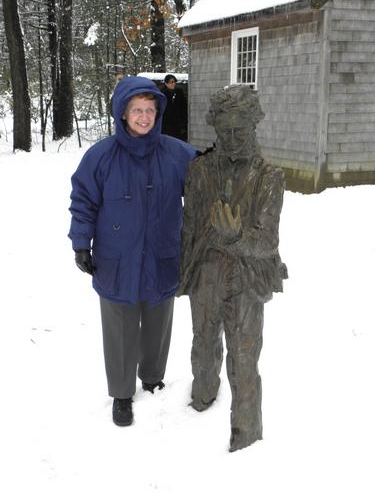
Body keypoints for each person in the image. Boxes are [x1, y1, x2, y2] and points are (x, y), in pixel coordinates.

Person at [68, 76, 197, 427]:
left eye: (150, 110)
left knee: (158, 321)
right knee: (120, 325)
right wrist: (81, 242)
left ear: (158, 113)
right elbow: (83, 202)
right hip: (116, 258)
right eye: (136, 110)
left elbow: (207, 179)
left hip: (161, 253)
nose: (143, 117)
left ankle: (153, 380)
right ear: (123, 113)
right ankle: (122, 393)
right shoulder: (100, 156)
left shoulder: (176, 153)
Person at [177, 84, 287, 452]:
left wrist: (237, 236)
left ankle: (246, 436)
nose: (234, 137)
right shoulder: (200, 171)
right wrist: (184, 270)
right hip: (206, 273)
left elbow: (268, 240)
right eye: (226, 130)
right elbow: (189, 226)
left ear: (254, 126)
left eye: (241, 129)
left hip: (245, 276)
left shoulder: (269, 177)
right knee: (203, 344)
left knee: (243, 358)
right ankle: (202, 396)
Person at [161, 74, 188, 141]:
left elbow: (183, 107)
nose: (173, 84)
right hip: (166, 123)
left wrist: (183, 122)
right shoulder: (162, 94)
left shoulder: (179, 92)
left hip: (178, 123)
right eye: (171, 82)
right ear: (166, 83)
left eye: (174, 82)